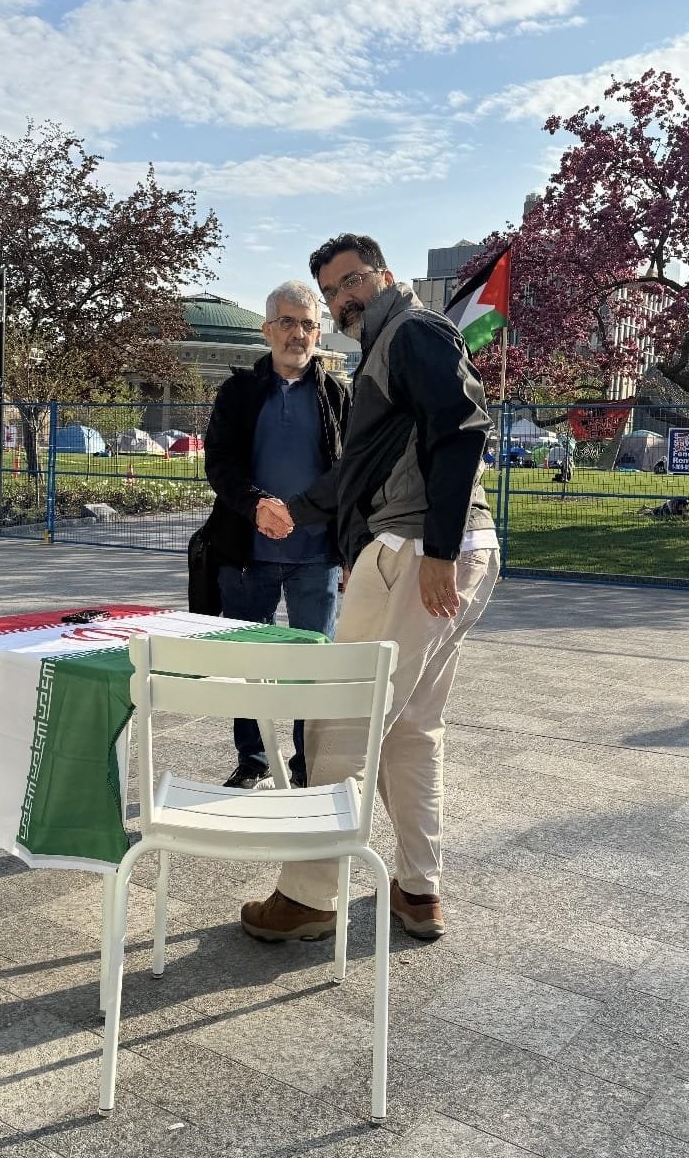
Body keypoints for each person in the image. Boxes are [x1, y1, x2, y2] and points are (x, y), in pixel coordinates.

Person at [240, 234, 499, 943]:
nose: (343, 299)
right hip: (446, 548)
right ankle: (420, 889)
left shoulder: (413, 331)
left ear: (383, 275)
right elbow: (366, 465)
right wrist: (299, 507)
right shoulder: (388, 345)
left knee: (341, 720)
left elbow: (463, 426)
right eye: (332, 292)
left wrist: (438, 548)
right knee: (413, 729)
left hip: (421, 550)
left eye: (351, 282)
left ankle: (309, 896)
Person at [203, 280, 351, 789]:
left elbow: (351, 475)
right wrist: (256, 504)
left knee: (313, 665)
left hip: (317, 556)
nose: (298, 333)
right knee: (252, 663)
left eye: (308, 323)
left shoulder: (336, 395)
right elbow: (218, 463)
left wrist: (350, 550)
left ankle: (307, 764)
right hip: (248, 554)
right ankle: (255, 759)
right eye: (287, 322)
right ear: (267, 330)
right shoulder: (239, 392)